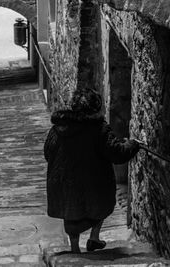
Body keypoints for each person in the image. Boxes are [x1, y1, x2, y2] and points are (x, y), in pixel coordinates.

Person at [44, 89, 140, 253]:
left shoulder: (58, 129)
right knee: (100, 205)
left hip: (65, 183)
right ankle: (94, 237)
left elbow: (48, 152)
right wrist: (133, 145)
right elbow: (117, 154)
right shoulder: (99, 130)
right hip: (94, 182)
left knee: (71, 211)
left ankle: (75, 250)